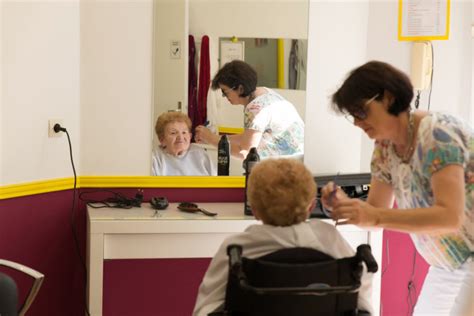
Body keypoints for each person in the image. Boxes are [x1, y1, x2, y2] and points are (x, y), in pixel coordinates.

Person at [321, 60, 473, 315]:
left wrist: (374, 215)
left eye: (360, 112)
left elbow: (450, 216)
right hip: (447, 262)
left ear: (388, 98)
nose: (358, 123)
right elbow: (375, 213)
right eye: (352, 116)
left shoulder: (437, 134)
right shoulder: (385, 147)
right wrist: (346, 205)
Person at [193, 159, 373, 316]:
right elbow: (360, 294)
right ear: (311, 206)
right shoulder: (329, 238)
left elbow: (206, 308)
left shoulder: (236, 249)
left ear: (254, 210)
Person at [194, 60, 304, 160]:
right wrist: (216, 138)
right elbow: (246, 138)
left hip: (289, 165)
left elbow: (245, 153)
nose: (224, 96)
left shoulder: (255, 109)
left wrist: (211, 139)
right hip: (300, 157)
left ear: (240, 88)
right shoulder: (265, 92)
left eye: (225, 92)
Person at [152, 112, 216, 176]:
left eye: (184, 132)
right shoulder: (155, 158)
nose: (180, 137)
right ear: (162, 140)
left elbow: (216, 181)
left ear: (190, 136)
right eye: (173, 133)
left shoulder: (200, 154)